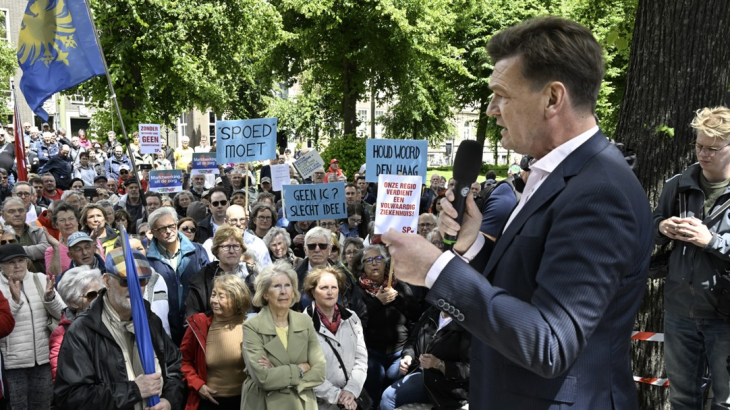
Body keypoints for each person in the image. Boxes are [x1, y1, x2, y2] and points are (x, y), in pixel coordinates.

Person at [381, 16, 653, 410]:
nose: (491, 109)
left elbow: (550, 343)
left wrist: (436, 270)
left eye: (502, 95)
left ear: (552, 99)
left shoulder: (600, 191)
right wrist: (472, 246)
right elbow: (527, 285)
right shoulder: (556, 173)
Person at [654, 106, 730, 409]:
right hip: (679, 311)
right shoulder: (678, 185)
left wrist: (711, 241)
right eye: (699, 146)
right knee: (683, 399)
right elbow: (651, 226)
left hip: (725, 315)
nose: (703, 154)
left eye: (713, 148)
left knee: (725, 402)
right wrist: (662, 226)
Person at [53, 248, 185, 410]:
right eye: (125, 281)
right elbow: (71, 396)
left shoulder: (151, 320)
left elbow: (175, 367)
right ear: (107, 281)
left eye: (142, 281)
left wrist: (169, 400)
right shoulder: (83, 330)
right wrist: (134, 390)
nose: (134, 287)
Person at [240, 261, 326, 410]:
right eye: (276, 286)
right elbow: (264, 378)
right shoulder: (252, 326)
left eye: (287, 285)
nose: (283, 291)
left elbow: (319, 372)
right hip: (263, 404)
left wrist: (278, 371)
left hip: (301, 402)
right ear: (265, 293)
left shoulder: (305, 321)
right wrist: (299, 369)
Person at [0, 244, 64, 410]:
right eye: (11, 262)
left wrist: (50, 298)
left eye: (21, 260)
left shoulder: (41, 279)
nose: (17, 265)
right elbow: (2, 324)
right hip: (12, 365)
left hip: (42, 361)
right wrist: (14, 303)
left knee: (42, 406)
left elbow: (62, 316)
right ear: (1, 265)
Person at [357, 245, 421, 406]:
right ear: (363, 266)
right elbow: (356, 318)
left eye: (378, 258)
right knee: (371, 398)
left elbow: (416, 313)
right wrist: (377, 302)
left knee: (390, 395)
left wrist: (398, 299)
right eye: (369, 260)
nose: (374, 263)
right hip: (372, 353)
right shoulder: (357, 289)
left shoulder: (399, 285)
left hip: (398, 353)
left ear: (386, 262)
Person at [380, 304, 471, 410]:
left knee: (388, 397)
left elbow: (469, 370)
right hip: (417, 367)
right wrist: (408, 356)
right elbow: (412, 341)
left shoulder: (466, 326)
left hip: (440, 381)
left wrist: (439, 364)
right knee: (389, 374)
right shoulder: (432, 312)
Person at [181, 274, 251, 410]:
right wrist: (198, 385)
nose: (214, 300)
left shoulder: (250, 326)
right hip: (210, 402)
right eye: (213, 294)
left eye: (221, 296)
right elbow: (184, 361)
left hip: (244, 402)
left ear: (236, 299)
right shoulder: (199, 324)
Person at [303, 267, 367, 410]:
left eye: (334, 287)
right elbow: (305, 371)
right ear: (313, 291)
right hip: (318, 404)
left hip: (350, 400)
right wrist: (337, 395)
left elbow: (361, 358)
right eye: (324, 287)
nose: (330, 292)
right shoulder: (301, 324)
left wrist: (351, 389)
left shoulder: (352, 318)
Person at [146, 207, 210, 345]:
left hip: (197, 323)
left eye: (171, 226)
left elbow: (209, 285)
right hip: (165, 328)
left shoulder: (197, 251)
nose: (169, 231)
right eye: (162, 229)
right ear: (153, 233)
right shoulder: (148, 261)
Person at [185, 225, 254, 318]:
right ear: (216, 250)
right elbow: (192, 316)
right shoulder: (203, 278)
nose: (232, 251)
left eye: (236, 246)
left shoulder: (252, 276)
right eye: (226, 247)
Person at [50, 266, 103, 381]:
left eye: (102, 292)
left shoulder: (113, 322)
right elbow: (60, 378)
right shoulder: (61, 335)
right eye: (92, 295)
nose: (99, 299)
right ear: (73, 302)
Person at [2, 197, 49, 273]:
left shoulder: (38, 231)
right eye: (11, 211)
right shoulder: (1, 235)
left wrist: (14, 251)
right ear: (3, 215)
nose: (17, 214)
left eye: (21, 210)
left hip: (38, 279)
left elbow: (47, 248)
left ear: (26, 212)